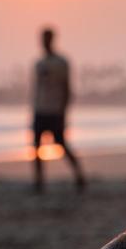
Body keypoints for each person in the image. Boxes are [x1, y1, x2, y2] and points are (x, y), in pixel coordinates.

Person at [32, 27, 86, 193]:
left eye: (47, 38)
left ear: (52, 39)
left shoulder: (61, 62)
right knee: (36, 146)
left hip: (55, 111)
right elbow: (37, 88)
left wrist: (63, 111)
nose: (45, 42)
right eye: (43, 39)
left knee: (61, 144)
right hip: (40, 110)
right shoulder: (39, 63)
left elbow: (66, 87)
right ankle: (39, 181)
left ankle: (79, 175)